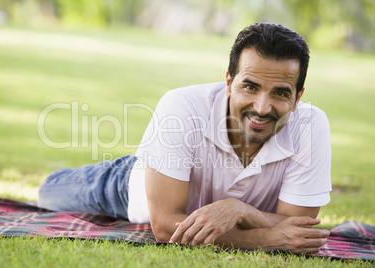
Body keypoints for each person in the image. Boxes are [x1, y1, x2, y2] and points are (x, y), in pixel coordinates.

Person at [38, 23, 332, 254]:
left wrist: (237, 209)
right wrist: (266, 237)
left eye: (280, 93)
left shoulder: (311, 125)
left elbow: (299, 229)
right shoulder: (182, 105)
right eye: (250, 87)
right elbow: (166, 226)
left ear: (298, 98)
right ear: (229, 83)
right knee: (48, 193)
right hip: (133, 187)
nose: (262, 107)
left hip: (187, 191)